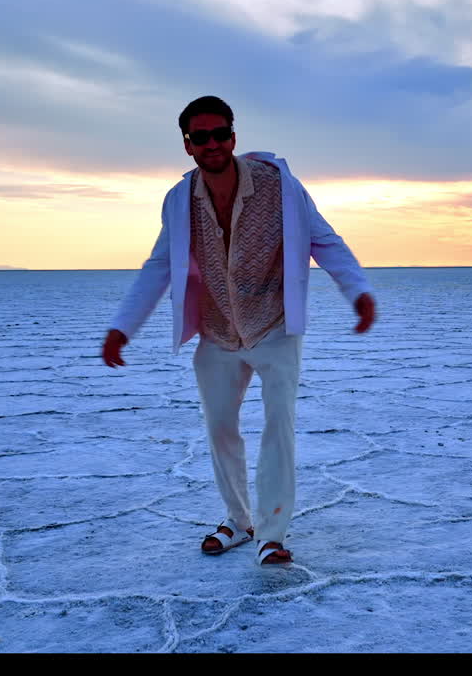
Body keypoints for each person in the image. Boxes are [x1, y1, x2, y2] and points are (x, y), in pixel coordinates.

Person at [102, 95, 376, 566]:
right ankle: (238, 520)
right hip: (217, 332)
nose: (212, 144)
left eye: (220, 134)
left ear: (233, 135)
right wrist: (123, 326)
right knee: (221, 428)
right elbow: (160, 265)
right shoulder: (178, 200)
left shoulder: (280, 187)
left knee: (278, 428)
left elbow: (322, 239)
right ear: (187, 144)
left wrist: (358, 291)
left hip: (274, 327)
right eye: (200, 137)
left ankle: (272, 533)